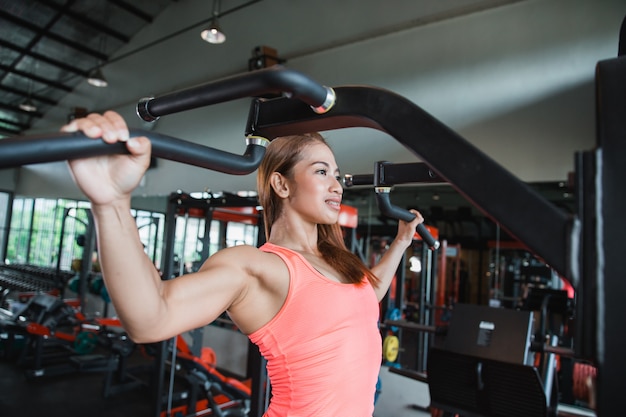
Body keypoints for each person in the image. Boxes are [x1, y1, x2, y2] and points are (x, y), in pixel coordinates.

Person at [61, 110, 425, 417]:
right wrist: (111, 203)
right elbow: (151, 317)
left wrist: (401, 241)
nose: (337, 185)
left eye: (335, 173)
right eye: (320, 172)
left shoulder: (339, 263)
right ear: (281, 185)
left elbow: (369, 292)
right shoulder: (258, 268)